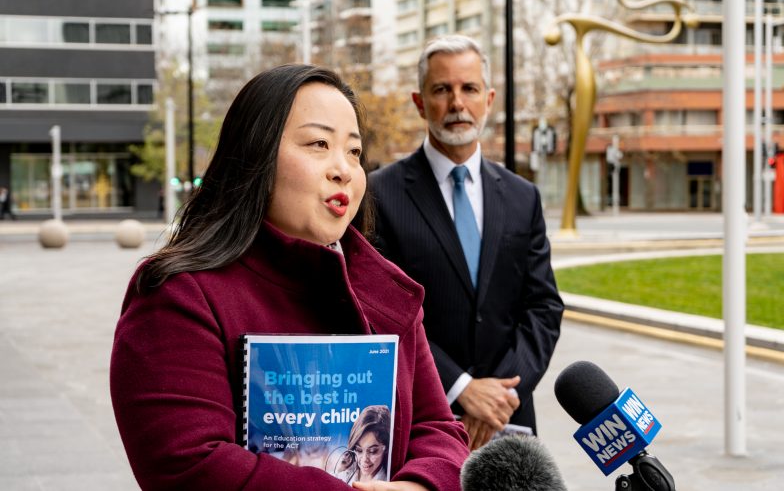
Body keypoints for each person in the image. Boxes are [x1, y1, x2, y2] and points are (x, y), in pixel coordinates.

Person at [110, 64, 469, 491]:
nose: (344, 170)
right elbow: (188, 463)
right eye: (319, 143)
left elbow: (440, 429)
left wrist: (421, 486)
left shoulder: (386, 290)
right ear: (255, 156)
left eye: (354, 152)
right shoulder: (178, 294)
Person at [368, 35, 564, 450]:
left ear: (488, 99)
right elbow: (381, 312)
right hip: (423, 418)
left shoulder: (521, 195)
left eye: (469, 88)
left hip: (508, 419)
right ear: (420, 102)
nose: (457, 103)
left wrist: (502, 395)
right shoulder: (379, 195)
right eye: (442, 89)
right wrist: (460, 388)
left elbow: (543, 307)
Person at [336, 405, 391, 484]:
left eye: (373, 451)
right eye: (359, 450)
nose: (364, 459)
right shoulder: (344, 472)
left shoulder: (389, 481)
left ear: (386, 448)